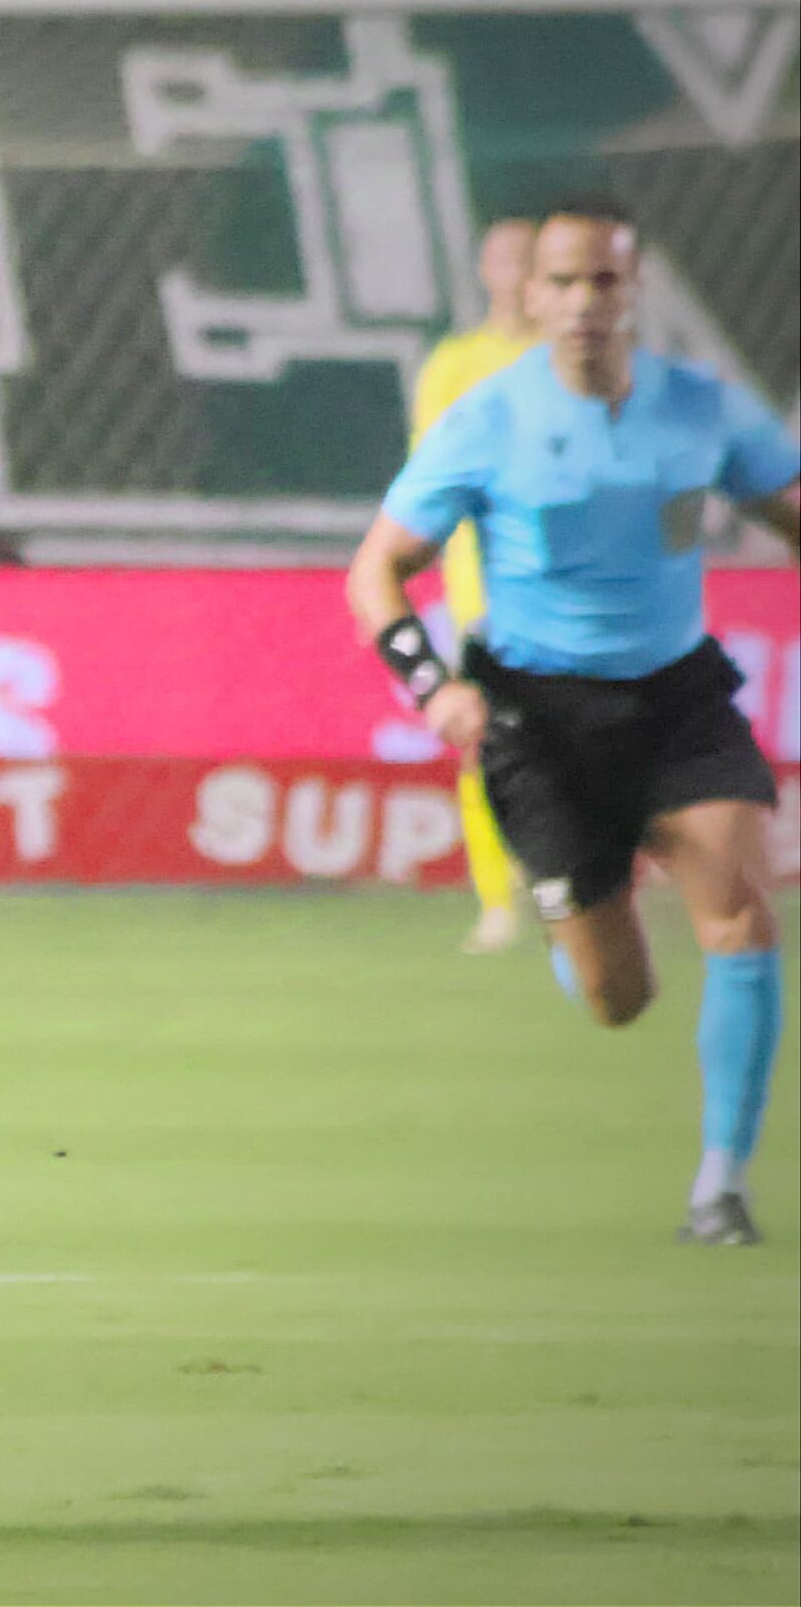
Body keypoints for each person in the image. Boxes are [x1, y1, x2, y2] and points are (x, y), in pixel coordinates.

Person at [347, 196, 799, 1247]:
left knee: (741, 912)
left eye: (605, 279)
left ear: (634, 289)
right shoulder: (487, 420)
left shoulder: (704, 408)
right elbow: (377, 569)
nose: (584, 301)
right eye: (563, 281)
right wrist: (430, 685)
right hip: (540, 720)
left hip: (678, 698)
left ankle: (719, 1187)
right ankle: (584, 921)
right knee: (615, 996)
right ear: (533, 293)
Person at [409, 215, 538, 954]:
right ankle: (497, 900)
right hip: (483, 585)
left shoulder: (570, 359)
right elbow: (433, 469)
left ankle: (576, 887)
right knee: (481, 737)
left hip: (575, 582)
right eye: (503, 258)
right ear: (486, 271)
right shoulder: (456, 361)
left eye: (527, 259)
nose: (515, 273)